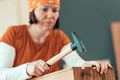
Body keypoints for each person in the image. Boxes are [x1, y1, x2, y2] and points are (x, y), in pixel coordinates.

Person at [0, 0, 112, 80]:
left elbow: (76, 63)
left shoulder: (59, 36)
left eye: (55, 10)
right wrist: (27, 69)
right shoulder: (13, 33)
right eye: (44, 9)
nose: (50, 15)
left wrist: (87, 64)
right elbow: (1, 74)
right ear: (32, 11)